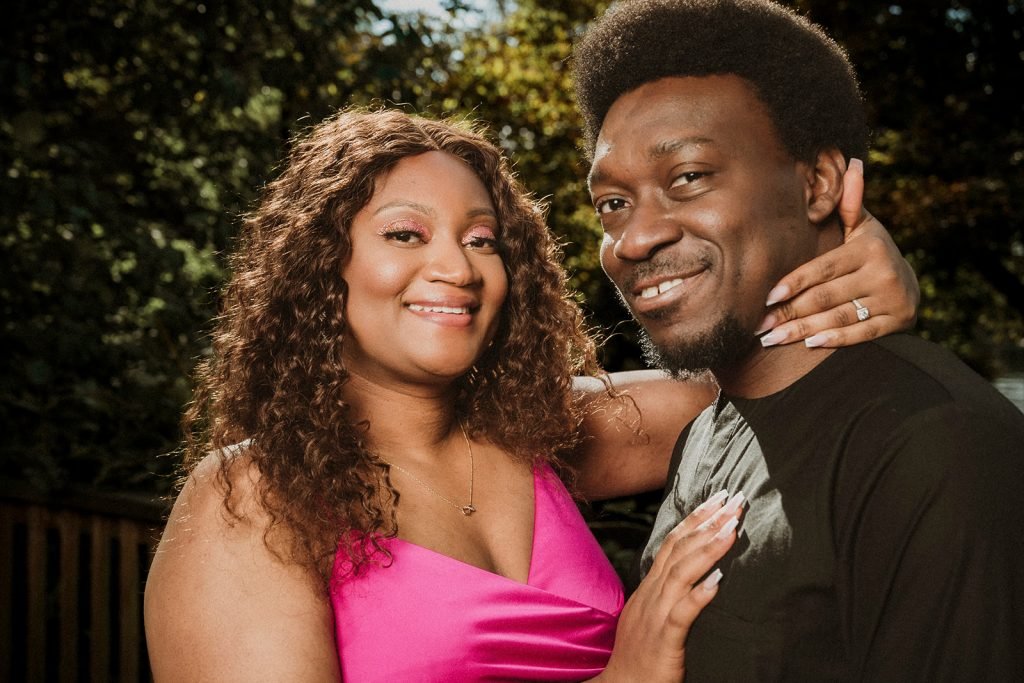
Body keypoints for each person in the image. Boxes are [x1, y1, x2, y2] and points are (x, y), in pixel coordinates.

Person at [143, 108, 916, 681]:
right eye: (406, 234)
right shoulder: (250, 499)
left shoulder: (544, 431)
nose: (457, 267)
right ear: (323, 267)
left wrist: (855, 275)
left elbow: (769, 375)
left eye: (482, 239)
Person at [574, 0, 1024, 680]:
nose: (634, 239)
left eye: (688, 178)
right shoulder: (709, 430)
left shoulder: (933, 442)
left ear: (817, 185)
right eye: (613, 204)